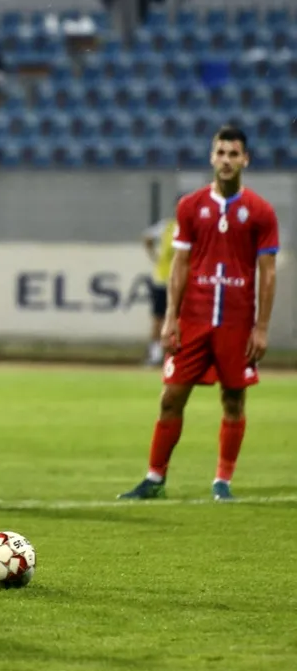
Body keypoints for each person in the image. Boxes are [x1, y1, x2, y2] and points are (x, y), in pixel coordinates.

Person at [119, 125, 279, 502]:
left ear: (245, 159)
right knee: (171, 397)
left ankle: (222, 481)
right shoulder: (191, 206)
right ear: (212, 157)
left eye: (233, 154)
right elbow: (180, 264)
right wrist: (171, 318)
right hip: (193, 319)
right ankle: (154, 478)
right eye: (220, 153)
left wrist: (261, 327)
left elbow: (268, 272)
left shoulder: (260, 212)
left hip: (237, 322)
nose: (226, 160)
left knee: (234, 400)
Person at [141, 198, 181, 367]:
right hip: (162, 280)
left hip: (182, 281)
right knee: (158, 318)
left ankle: (177, 354)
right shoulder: (167, 226)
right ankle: (155, 354)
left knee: (180, 319)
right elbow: (147, 237)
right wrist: (155, 257)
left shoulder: (193, 227)